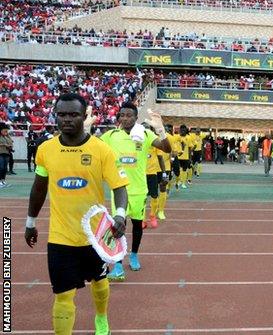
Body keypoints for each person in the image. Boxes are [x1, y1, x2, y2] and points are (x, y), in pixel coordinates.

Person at [24, 93, 129, 335]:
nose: (67, 119)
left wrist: (121, 215)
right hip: (60, 237)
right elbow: (39, 188)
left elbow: (119, 186)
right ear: (55, 116)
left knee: (100, 283)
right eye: (62, 115)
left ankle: (101, 319)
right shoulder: (46, 150)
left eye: (73, 114)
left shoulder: (101, 150)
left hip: (95, 236)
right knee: (63, 295)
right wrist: (30, 222)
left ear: (84, 117)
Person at [100, 102, 171, 281]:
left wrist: (161, 130)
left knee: (137, 226)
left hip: (139, 190)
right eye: (122, 115)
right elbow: (93, 146)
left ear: (136, 117)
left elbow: (167, 149)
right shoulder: (111, 135)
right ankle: (117, 264)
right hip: (118, 189)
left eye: (129, 115)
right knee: (118, 225)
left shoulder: (145, 134)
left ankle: (134, 254)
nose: (125, 118)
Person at [0, 124, 13, 188]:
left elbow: (11, 142)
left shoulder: (7, 137)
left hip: (6, 153)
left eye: (6, 131)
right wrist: (4, 145)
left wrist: (8, 136)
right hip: (0, 153)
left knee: (5, 168)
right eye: (5, 131)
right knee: (1, 167)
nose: (6, 132)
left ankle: (3, 181)